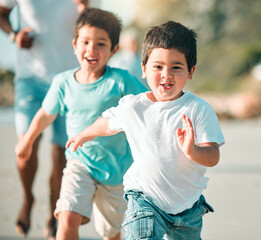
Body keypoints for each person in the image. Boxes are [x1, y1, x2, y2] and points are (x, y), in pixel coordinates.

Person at [66, 21, 225, 240]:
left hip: (188, 207)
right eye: (158, 67)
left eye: (176, 67)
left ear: (191, 71)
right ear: (143, 68)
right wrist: (86, 133)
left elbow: (213, 155)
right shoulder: (134, 106)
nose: (166, 74)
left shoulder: (198, 109)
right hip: (145, 198)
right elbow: (106, 123)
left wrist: (193, 150)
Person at [15, 7, 147, 240]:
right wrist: (27, 139)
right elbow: (46, 114)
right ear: (74, 45)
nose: (91, 49)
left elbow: (148, 106)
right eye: (85, 42)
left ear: (114, 50)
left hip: (116, 171)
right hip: (79, 163)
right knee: (67, 217)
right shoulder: (63, 82)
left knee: (111, 233)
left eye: (100, 44)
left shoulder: (121, 81)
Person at [0, 0, 88, 238]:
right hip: (30, 78)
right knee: (25, 149)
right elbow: (1, 13)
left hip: (71, 79)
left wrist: (84, 7)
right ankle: (28, 199)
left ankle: (53, 215)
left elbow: (92, 24)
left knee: (62, 154)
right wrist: (14, 35)